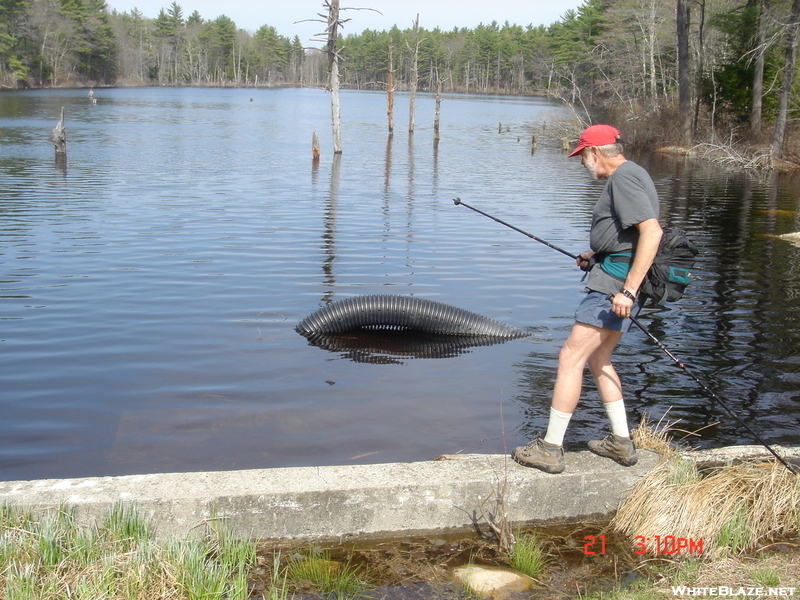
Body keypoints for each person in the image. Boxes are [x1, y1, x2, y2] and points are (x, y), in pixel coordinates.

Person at [512, 124, 663, 474]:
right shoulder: (634, 173)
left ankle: (550, 448)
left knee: (570, 357)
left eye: (581, 156)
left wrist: (627, 290)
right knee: (599, 358)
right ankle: (621, 442)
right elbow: (627, 237)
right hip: (616, 278)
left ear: (595, 151)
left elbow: (652, 232)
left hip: (615, 287)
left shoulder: (623, 178)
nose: (581, 163)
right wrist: (596, 255)